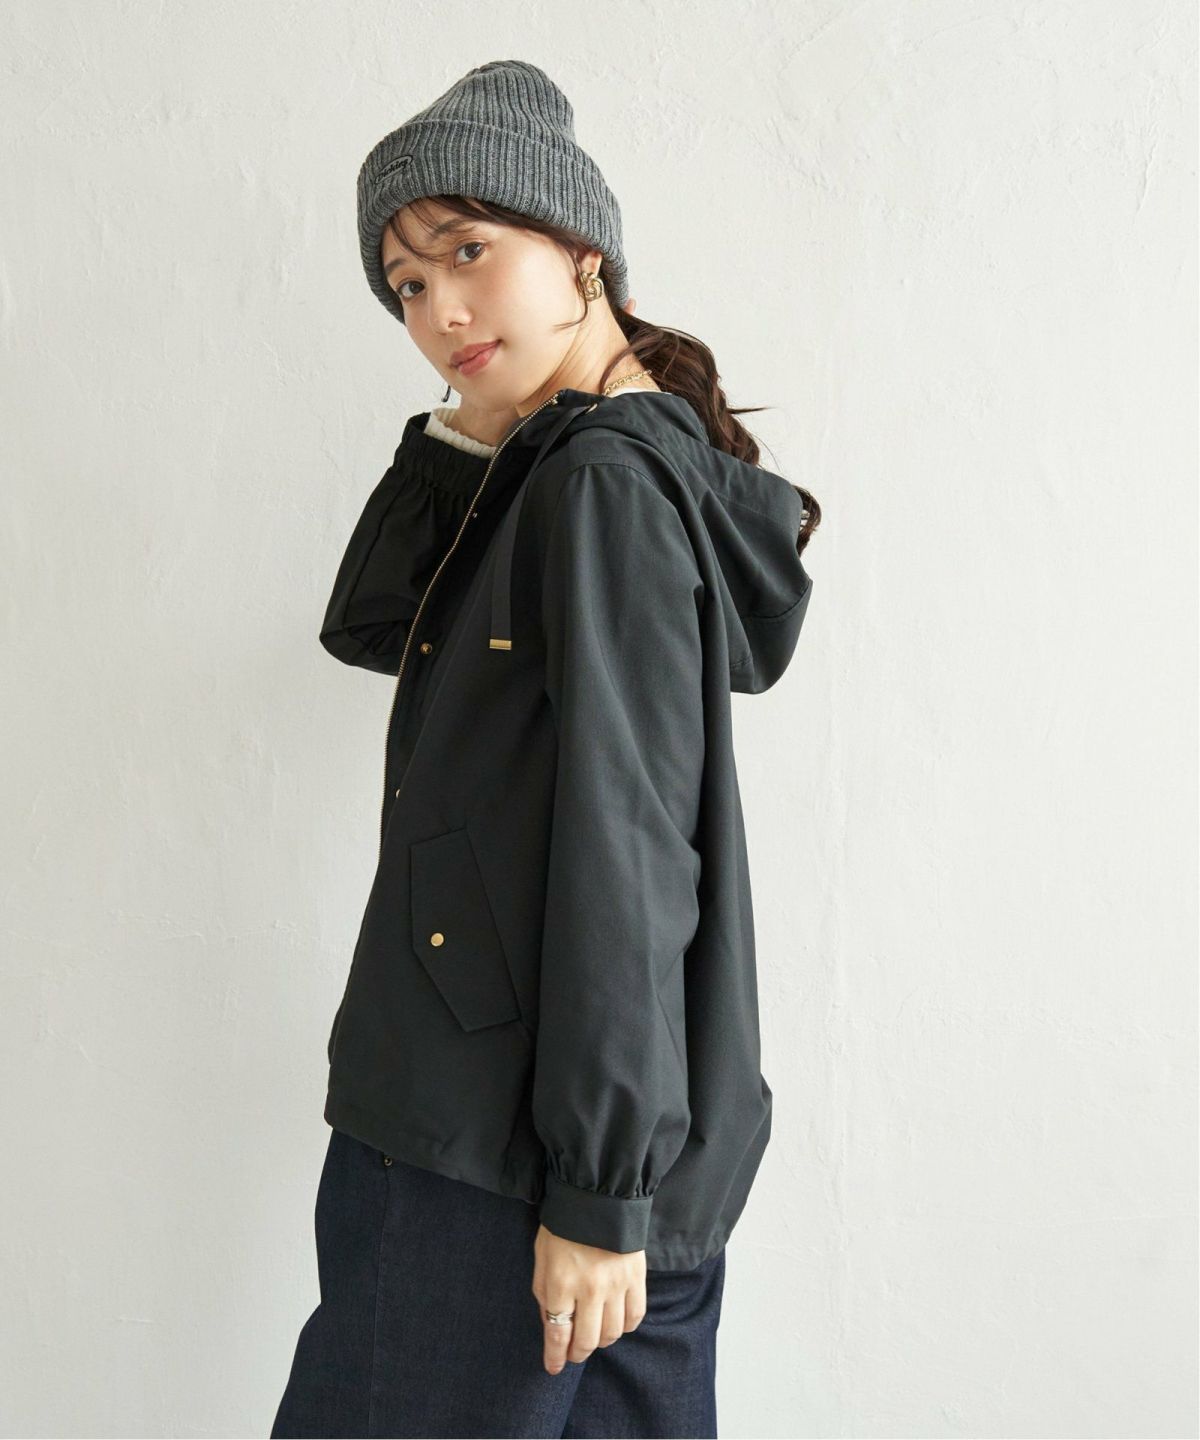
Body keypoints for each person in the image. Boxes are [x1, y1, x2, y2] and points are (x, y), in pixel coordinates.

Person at [270, 59, 820, 1440]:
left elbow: (631, 850)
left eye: (468, 251)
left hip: (503, 1158)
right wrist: (477, 430)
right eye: (405, 285)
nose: (438, 312)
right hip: (567, 1149)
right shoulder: (579, 469)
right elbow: (378, 626)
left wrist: (595, 1190)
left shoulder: (599, 489)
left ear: (583, 248)